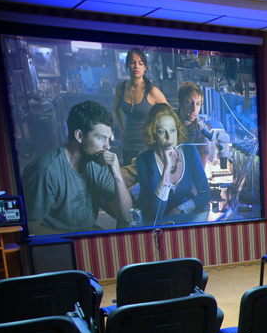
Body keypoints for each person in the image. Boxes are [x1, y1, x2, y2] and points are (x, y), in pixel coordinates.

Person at [21, 100, 130, 235]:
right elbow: (30, 229)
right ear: (79, 136)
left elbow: (126, 216)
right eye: (101, 138)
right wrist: (78, 241)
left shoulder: (98, 164)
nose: (107, 146)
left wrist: (117, 175)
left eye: (108, 139)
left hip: (85, 236)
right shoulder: (44, 171)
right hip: (59, 244)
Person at [136, 103, 210, 224]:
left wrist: (181, 209)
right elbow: (155, 212)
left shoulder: (189, 150)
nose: (169, 137)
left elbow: (205, 194)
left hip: (181, 219)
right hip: (153, 224)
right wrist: (167, 169)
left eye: (172, 130)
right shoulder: (144, 159)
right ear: (153, 134)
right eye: (162, 132)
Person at [114, 48, 167, 165]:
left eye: (140, 63)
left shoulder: (152, 91)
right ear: (127, 65)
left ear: (145, 67)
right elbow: (117, 108)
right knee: (127, 174)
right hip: (127, 145)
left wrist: (159, 133)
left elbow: (169, 114)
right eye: (132, 62)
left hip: (146, 147)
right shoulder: (121, 87)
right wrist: (121, 127)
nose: (136, 66)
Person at [177, 81, 214, 166]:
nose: (194, 109)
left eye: (198, 104)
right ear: (180, 102)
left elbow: (201, 168)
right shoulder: (168, 121)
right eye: (189, 102)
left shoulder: (201, 130)